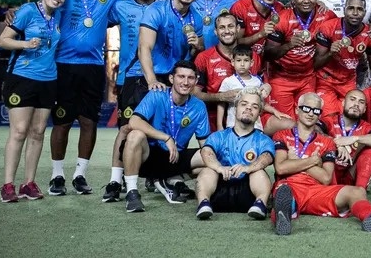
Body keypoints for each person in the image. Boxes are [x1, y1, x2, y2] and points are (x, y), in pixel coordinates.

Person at [270, 93, 371, 235]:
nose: (311, 113)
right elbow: (281, 168)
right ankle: (286, 213)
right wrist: (312, 161)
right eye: (306, 108)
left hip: (316, 190)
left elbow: (325, 178)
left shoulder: (328, 142)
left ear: (320, 115)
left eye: (316, 111)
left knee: (357, 191)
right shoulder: (281, 135)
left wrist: (295, 161)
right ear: (297, 109)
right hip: (289, 187)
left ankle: (370, 216)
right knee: (284, 196)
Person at [48, 0, 122, 197]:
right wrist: (14, 14)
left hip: (92, 68)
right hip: (63, 65)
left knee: (89, 122)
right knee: (63, 121)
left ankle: (80, 175)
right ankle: (57, 175)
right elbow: (45, 3)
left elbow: (126, 16)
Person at [0, 0, 69, 202]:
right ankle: (8, 185)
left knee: (38, 133)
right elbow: (3, 40)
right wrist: (25, 44)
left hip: (48, 80)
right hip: (21, 78)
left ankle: (28, 183)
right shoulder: (28, 11)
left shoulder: (58, 16)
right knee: (19, 132)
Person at [121, 60, 210, 213]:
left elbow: (205, 143)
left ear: (196, 80)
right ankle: (132, 192)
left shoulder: (199, 106)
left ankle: (171, 179)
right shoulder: (157, 95)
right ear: (171, 79)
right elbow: (134, 121)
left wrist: (215, 161)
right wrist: (166, 138)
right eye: (181, 77)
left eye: (190, 78)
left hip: (175, 158)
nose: (185, 82)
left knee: (210, 156)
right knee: (135, 135)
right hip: (150, 155)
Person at [103, 0, 160, 202]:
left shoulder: (163, 7)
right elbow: (97, 22)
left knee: (158, 130)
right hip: (131, 78)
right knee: (126, 129)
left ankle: (154, 176)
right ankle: (116, 180)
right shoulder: (120, 6)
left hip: (159, 78)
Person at [193, 89, 275, 221]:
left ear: (259, 113)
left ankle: (261, 204)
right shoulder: (218, 136)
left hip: (248, 195)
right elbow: (206, 152)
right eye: (244, 104)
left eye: (254, 107)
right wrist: (219, 167)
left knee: (258, 172)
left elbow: (267, 157)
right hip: (219, 191)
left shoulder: (264, 140)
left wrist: (248, 168)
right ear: (235, 107)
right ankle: (203, 203)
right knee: (208, 170)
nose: (248, 108)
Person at [264, 0, 337, 116]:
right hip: (282, 79)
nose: (306, 0)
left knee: (306, 120)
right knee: (285, 121)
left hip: (307, 78)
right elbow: (268, 53)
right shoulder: (282, 18)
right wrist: (289, 45)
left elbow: (343, 27)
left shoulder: (327, 16)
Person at [135, 0, 205, 94]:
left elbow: (197, 51)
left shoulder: (197, 19)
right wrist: (152, 81)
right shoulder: (156, 10)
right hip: (152, 73)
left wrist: (196, 47)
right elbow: (144, 48)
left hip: (178, 78)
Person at [314, 0, 371, 116]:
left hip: (348, 82)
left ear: (365, 12)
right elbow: (315, 64)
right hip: (326, 81)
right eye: (351, 8)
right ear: (344, 9)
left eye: (359, 9)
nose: (355, 13)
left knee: (351, 115)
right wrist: (330, 53)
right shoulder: (329, 27)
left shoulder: (369, 34)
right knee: (330, 117)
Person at [321, 89, 371, 188]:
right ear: (343, 103)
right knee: (320, 146)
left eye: (361, 102)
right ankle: (333, 192)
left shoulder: (366, 127)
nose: (356, 104)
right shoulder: (329, 121)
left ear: (365, 109)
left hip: (350, 175)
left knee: (370, 150)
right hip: (329, 175)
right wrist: (336, 144)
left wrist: (355, 138)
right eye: (352, 99)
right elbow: (315, 131)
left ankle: (360, 191)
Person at [193, 11, 248, 131]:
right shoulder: (204, 58)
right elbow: (195, 94)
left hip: (246, 117)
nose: (227, 31)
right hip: (213, 118)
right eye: (222, 27)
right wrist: (221, 97)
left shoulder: (252, 57)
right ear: (215, 32)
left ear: (238, 28)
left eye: (231, 26)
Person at [215, 45, 286, 132]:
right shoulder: (228, 81)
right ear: (232, 62)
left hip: (255, 126)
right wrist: (219, 125)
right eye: (238, 60)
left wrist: (275, 111)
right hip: (233, 125)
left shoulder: (257, 81)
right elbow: (221, 104)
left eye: (246, 60)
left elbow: (261, 103)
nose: (242, 64)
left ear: (251, 63)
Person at [230, 0, 286, 77]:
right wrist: (260, 34)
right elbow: (235, 43)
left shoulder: (281, 9)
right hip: (242, 65)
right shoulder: (241, 6)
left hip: (268, 66)